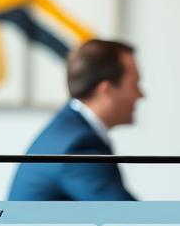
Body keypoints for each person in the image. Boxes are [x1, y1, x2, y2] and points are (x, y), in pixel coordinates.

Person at [8, 39, 144, 201]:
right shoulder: (79, 146)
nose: (141, 95)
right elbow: (126, 213)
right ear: (106, 90)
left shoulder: (70, 127)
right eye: (134, 85)